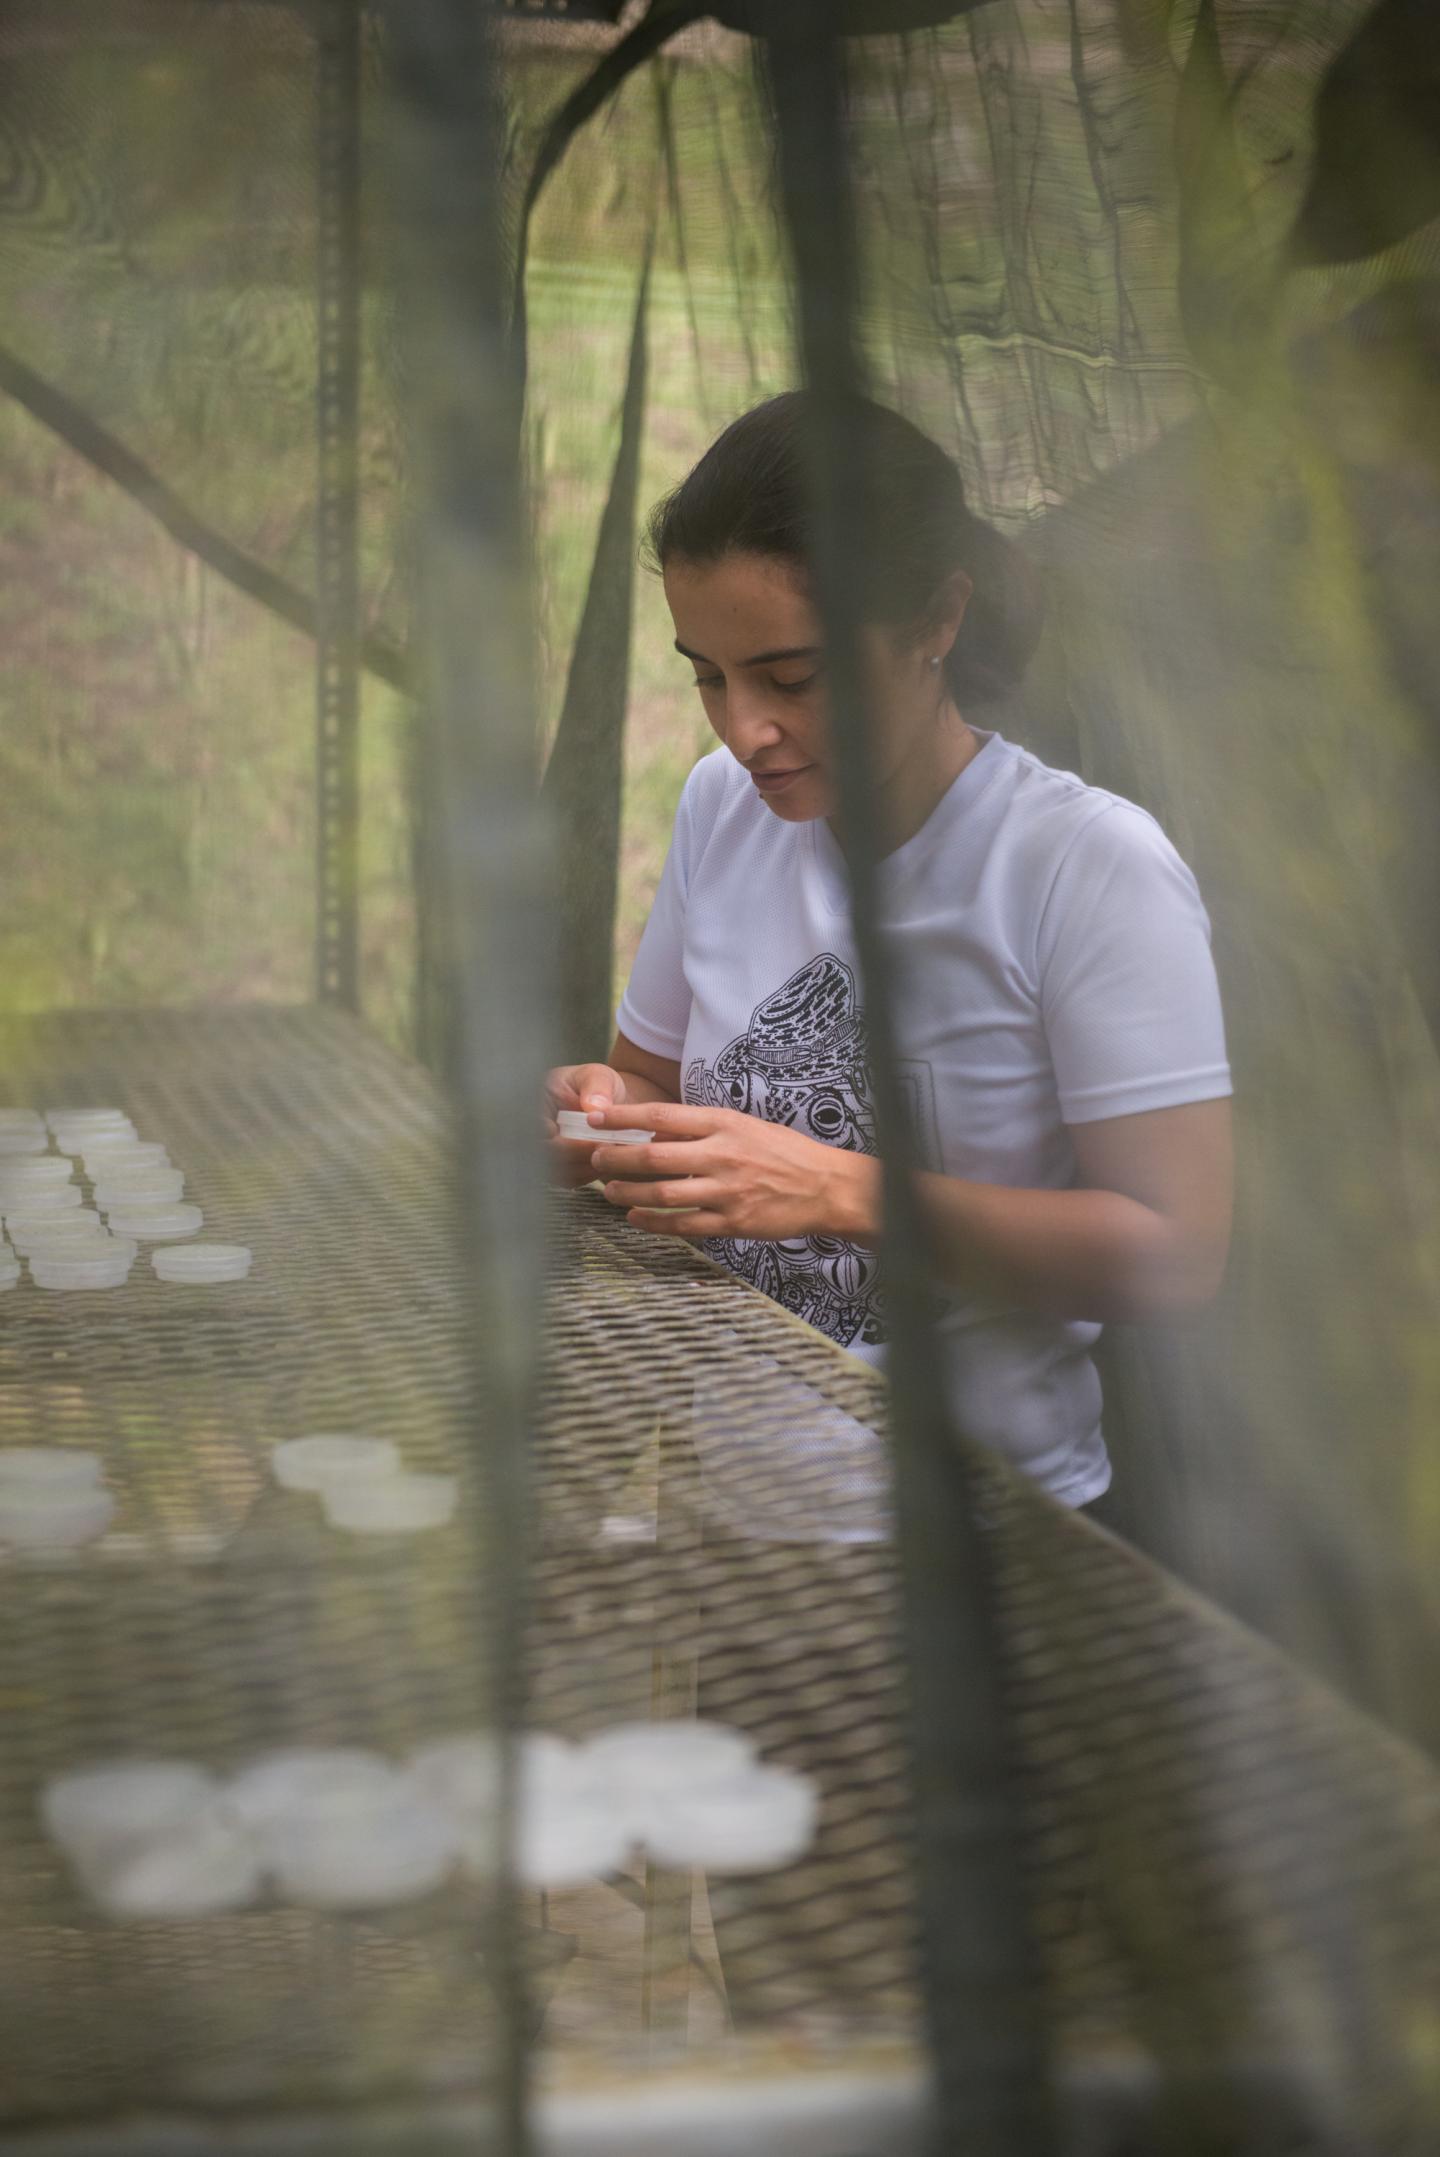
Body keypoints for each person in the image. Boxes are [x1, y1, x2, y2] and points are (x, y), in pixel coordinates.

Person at [545, 392, 1233, 1521]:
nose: (741, 729)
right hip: (733, 1505)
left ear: (938, 621)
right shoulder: (723, 806)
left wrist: (839, 1191)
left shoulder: (1083, 865)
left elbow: (1176, 1252)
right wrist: (599, 1112)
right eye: (706, 675)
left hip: (985, 1543)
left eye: (793, 678)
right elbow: (655, 1085)